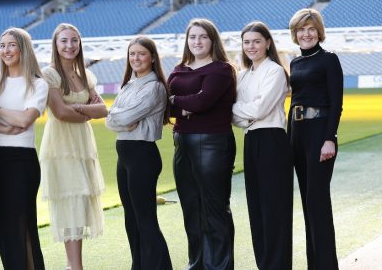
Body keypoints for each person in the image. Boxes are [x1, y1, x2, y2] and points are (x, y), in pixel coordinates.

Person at [167, 18, 237, 270]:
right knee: (191, 207)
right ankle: (196, 263)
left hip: (213, 143)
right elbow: (166, 105)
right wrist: (182, 104)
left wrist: (179, 102)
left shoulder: (221, 70)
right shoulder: (179, 69)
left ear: (212, 40)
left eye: (203, 37)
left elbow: (203, 102)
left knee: (214, 207)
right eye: (192, 37)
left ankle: (219, 266)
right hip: (182, 142)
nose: (197, 41)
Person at [39, 23, 107, 270]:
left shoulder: (86, 75)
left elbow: (103, 109)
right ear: (56, 45)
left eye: (74, 41)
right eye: (64, 41)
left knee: (80, 202)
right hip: (61, 146)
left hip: (82, 145)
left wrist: (80, 110)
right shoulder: (49, 75)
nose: (70, 46)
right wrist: (89, 112)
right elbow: (60, 113)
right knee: (69, 203)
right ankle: (75, 266)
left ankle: (73, 265)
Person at [105, 36, 173, 270]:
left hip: (142, 155)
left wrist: (120, 118)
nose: (135, 58)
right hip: (124, 155)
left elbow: (120, 117)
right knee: (131, 219)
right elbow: (111, 119)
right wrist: (120, 119)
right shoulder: (128, 85)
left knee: (145, 220)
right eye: (132, 54)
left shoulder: (154, 87)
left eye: (141, 54)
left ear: (152, 57)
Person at [232, 21, 293, 269]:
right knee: (256, 207)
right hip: (251, 140)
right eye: (247, 42)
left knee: (274, 209)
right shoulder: (242, 76)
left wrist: (244, 110)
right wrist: (246, 111)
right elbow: (234, 116)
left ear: (268, 43)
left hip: (272, 141)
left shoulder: (275, 71)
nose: (251, 46)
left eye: (256, 41)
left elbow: (260, 108)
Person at [0, 27, 47, 270]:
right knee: (3, 229)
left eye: (11, 45)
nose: (6, 50)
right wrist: (5, 128)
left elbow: (24, 120)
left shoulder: (37, 84)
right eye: (2, 45)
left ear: (23, 49)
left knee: (24, 226)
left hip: (21, 162)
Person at [288, 8, 343, 270]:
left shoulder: (329, 59)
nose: (306, 34)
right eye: (301, 29)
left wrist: (329, 138)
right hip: (297, 135)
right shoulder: (295, 63)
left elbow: (336, 103)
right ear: (295, 33)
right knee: (307, 202)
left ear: (318, 32)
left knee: (317, 201)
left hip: (320, 135)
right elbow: (294, 103)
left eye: (311, 29)